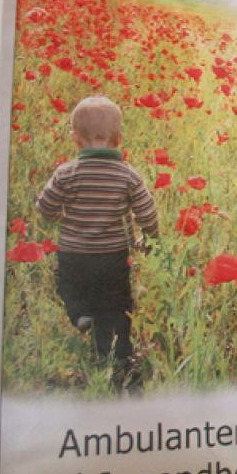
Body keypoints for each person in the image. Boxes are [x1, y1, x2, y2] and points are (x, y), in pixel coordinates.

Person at [36, 95, 159, 389]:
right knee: (116, 304)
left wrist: (58, 215)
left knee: (68, 286)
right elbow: (147, 213)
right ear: (119, 139)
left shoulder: (66, 173)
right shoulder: (128, 175)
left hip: (73, 255)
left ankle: (79, 314)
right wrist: (149, 238)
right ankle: (119, 357)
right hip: (113, 256)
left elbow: (44, 208)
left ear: (76, 140)